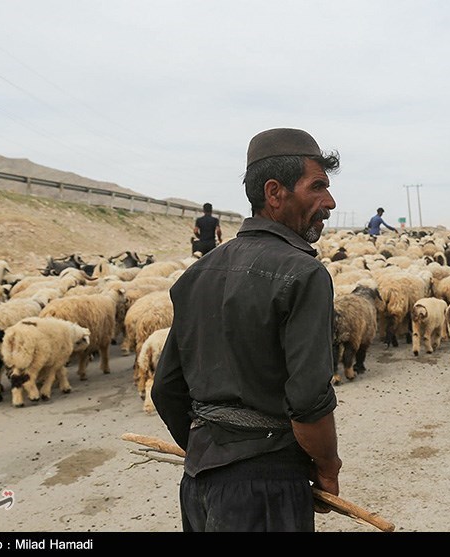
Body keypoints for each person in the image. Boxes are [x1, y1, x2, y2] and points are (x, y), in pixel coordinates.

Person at [151, 127, 342, 532]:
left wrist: (212, 450)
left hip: (199, 483)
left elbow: (166, 388)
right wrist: (328, 466)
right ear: (275, 193)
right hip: (267, 489)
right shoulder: (304, 274)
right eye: (318, 187)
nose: (330, 202)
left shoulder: (197, 273)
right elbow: (308, 400)